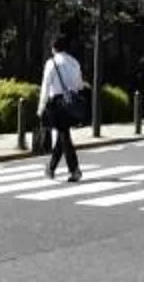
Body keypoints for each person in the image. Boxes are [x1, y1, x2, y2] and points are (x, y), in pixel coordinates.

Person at [38, 30, 85, 183]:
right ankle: (50, 168)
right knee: (62, 136)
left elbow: (45, 86)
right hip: (71, 101)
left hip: (57, 103)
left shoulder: (51, 63)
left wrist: (41, 107)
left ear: (54, 47)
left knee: (64, 135)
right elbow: (79, 85)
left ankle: (74, 169)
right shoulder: (74, 62)